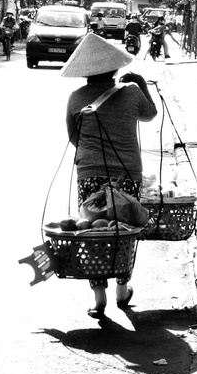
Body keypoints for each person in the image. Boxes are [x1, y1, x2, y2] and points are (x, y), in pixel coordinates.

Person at [62, 32, 157, 317]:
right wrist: (140, 84)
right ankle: (122, 290)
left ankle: (99, 296)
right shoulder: (131, 92)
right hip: (127, 172)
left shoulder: (75, 98)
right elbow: (149, 115)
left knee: (93, 230)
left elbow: (74, 137)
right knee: (123, 230)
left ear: (85, 73)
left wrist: (94, 153)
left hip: (89, 172)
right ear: (115, 68)